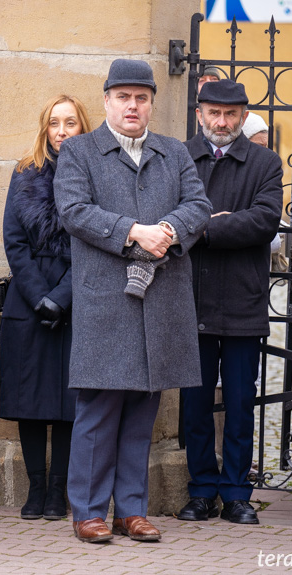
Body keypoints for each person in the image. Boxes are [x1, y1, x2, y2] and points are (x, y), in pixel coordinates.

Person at [53, 59, 211, 544]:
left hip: (160, 301)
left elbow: (199, 206)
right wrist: (133, 231)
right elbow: (74, 210)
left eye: (141, 97)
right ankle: (88, 511)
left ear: (151, 104)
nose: (132, 105)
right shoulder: (79, 151)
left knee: (143, 412)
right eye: (123, 97)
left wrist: (169, 229)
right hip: (107, 302)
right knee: (98, 413)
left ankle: (133, 510)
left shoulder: (174, 152)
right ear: (107, 101)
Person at [177, 80, 283, 525]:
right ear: (200, 113)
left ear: (243, 116)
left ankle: (238, 492)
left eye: (231, 114)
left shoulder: (266, 162)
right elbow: (168, 214)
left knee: (241, 403)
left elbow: (263, 220)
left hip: (243, 299)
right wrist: (210, 223)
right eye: (214, 113)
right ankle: (201, 489)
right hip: (192, 300)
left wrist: (204, 229)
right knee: (195, 404)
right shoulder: (179, 156)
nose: (222, 122)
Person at [0, 95, 91, 521]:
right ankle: (36, 488)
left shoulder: (95, 175)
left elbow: (94, 242)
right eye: (55, 122)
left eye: (70, 122)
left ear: (82, 127)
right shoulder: (24, 173)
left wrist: (63, 295)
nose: (62, 130)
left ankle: (59, 492)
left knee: (70, 404)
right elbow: (13, 243)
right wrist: (40, 296)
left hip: (78, 298)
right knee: (29, 400)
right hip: (29, 302)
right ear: (44, 128)